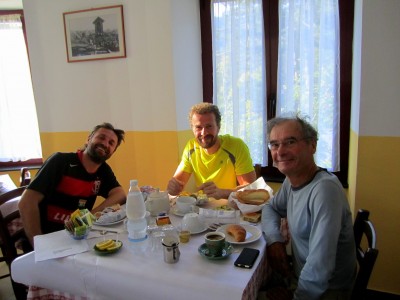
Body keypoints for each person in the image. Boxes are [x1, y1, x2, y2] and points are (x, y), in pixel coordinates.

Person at [261, 115, 356, 300]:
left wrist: (295, 297)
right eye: (274, 144)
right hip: (300, 277)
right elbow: (270, 208)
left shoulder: (324, 190)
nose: (280, 151)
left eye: (290, 142)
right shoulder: (292, 179)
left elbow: (320, 267)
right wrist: (274, 240)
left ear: (312, 145)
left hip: (325, 291)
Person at [19, 122, 126, 247]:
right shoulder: (60, 161)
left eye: (111, 143)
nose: (105, 143)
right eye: (101, 137)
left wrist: (90, 215)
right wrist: (38, 244)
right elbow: (26, 202)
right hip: (47, 238)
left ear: (113, 151)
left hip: (75, 238)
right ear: (88, 139)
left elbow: (120, 194)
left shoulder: (103, 170)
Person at [167, 103, 256, 199]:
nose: (204, 133)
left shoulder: (236, 146)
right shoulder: (191, 148)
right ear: (192, 129)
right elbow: (177, 183)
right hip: (203, 208)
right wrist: (172, 188)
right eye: (198, 127)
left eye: (209, 126)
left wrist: (223, 193)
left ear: (218, 127)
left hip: (230, 208)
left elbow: (250, 189)